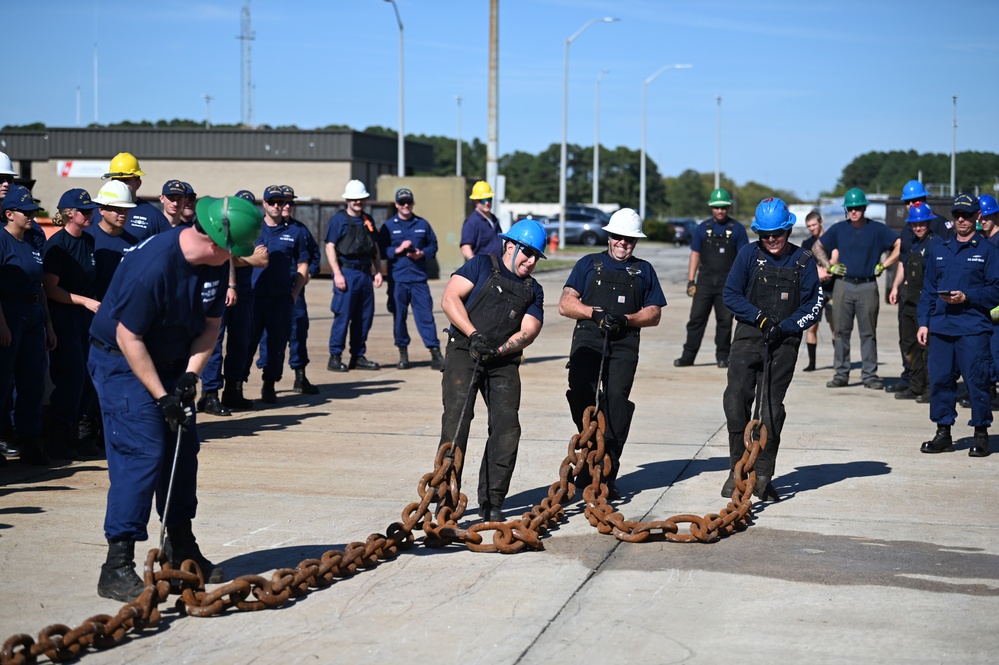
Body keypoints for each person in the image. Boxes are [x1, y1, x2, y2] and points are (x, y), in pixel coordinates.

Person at [87, 195, 262, 601]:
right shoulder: (154, 267)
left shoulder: (216, 266)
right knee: (142, 452)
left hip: (171, 360)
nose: (234, 260)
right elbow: (127, 337)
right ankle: (116, 565)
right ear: (216, 242)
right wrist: (162, 396)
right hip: (123, 362)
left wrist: (188, 376)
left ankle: (180, 546)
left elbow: (211, 325)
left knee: (182, 448)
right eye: (233, 252)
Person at [439, 219, 546, 522]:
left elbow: (530, 328)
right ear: (510, 246)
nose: (531, 261)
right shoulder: (481, 266)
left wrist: (500, 350)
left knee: (507, 427)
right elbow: (450, 298)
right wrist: (474, 334)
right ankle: (444, 500)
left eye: (537, 256)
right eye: (527, 252)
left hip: (502, 359)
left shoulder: (533, 290)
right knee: (457, 420)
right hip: (464, 349)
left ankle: (492, 501)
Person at [559, 208, 666, 499]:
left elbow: (654, 313)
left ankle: (607, 470)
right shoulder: (588, 264)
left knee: (616, 403)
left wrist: (627, 319)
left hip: (624, 342)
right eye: (618, 237)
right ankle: (589, 454)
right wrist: (592, 314)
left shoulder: (644, 270)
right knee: (581, 393)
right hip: (589, 338)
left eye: (629, 239)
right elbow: (566, 303)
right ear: (609, 236)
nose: (622, 243)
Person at [722, 198, 823, 502]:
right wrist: (760, 317)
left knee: (770, 409)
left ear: (788, 229)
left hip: (783, 343)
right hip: (748, 337)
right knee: (735, 400)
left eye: (776, 234)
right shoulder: (748, 256)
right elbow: (731, 294)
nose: (771, 241)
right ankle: (737, 469)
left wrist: (789, 326)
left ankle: (763, 473)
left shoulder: (803, 261)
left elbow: (814, 305)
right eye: (765, 236)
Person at [917, 194, 999, 458]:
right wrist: (923, 323)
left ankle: (981, 434)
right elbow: (928, 290)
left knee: (977, 382)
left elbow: (996, 291)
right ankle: (943, 433)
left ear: (977, 217)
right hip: (941, 328)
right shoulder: (939, 249)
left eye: (966, 215)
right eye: (956, 215)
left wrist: (968, 297)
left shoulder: (988, 251)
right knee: (940, 381)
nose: (961, 219)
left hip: (973, 328)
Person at [812, 187, 900, 389]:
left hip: (868, 286)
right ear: (846, 210)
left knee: (868, 333)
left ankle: (869, 375)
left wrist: (885, 265)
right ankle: (841, 374)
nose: (854, 211)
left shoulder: (877, 229)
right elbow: (817, 247)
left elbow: (898, 243)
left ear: (864, 208)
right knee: (841, 332)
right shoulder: (839, 229)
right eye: (850, 208)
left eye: (858, 207)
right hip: (843, 285)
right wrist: (829, 266)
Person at [43, 188, 102, 459]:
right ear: (69, 213)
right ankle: (58, 435)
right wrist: (84, 301)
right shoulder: (58, 244)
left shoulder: (88, 241)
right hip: (65, 318)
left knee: (89, 375)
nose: (91, 214)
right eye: (85, 210)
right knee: (72, 376)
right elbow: (50, 288)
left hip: (85, 320)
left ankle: (78, 433)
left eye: (91, 209)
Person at [0, 186, 57, 466]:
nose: (32, 215)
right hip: (9, 313)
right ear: (9, 214)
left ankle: (30, 440)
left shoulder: (33, 242)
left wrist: (48, 324)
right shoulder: (1, 240)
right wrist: (2, 324)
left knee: (32, 381)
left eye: (34, 210)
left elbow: (41, 287)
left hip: (33, 314)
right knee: (3, 381)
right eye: (26, 211)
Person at [201, 190, 268, 414]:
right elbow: (225, 254)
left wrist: (239, 258)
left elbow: (263, 258)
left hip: (246, 294)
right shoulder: (223, 226)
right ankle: (210, 393)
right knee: (214, 343)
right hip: (223, 291)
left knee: (241, 342)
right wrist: (242, 264)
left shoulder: (253, 228)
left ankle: (233, 389)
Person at [245, 185, 312, 404]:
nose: (276, 206)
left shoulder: (295, 232)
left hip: (281, 299)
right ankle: (236, 386)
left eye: (280, 202)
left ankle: (269, 384)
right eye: (272, 202)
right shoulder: (252, 229)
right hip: (254, 297)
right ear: (263, 204)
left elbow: (303, 264)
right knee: (246, 343)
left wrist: (295, 293)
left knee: (277, 345)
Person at [888, 180, 955, 394]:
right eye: (908, 202)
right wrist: (896, 287)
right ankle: (915, 384)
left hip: (929, 297)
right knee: (908, 342)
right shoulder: (909, 231)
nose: (911, 204)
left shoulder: (939, 230)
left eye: (915, 200)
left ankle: (929, 387)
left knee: (926, 345)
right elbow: (904, 262)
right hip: (909, 295)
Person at [674, 188, 748, 368]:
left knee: (725, 322)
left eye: (723, 207)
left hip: (727, 284)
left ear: (728, 207)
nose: (720, 211)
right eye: (716, 208)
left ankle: (723, 356)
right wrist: (691, 280)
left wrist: (742, 284)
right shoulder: (702, 228)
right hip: (705, 282)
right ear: (711, 208)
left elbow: (744, 259)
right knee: (696, 320)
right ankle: (688, 356)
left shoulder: (737, 230)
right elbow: (695, 254)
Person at [379, 187, 445, 371]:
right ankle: (403, 353)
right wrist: (398, 250)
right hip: (398, 280)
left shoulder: (422, 224)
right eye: (402, 203)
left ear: (413, 203)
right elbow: (381, 251)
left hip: (418, 280)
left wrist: (422, 253)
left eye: (408, 202)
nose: (405, 205)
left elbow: (433, 246)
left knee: (425, 316)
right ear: (396, 205)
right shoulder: (389, 226)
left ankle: (435, 353)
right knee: (399, 317)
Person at [325, 179, 383, 372]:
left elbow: (374, 248)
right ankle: (335, 356)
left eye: (361, 199)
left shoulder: (368, 220)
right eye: (354, 199)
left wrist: (378, 271)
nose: (358, 202)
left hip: (365, 274)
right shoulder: (338, 220)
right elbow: (330, 246)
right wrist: (337, 274)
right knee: (343, 316)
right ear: (347, 199)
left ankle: (357, 356)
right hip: (347, 273)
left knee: (364, 317)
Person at [102, 152, 170, 241]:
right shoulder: (94, 212)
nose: (120, 185)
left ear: (138, 184)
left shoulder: (153, 216)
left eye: (125, 180)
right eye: (116, 180)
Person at [800, 211, 835, 371]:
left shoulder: (831, 239)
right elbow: (806, 264)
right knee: (812, 326)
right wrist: (818, 272)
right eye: (808, 226)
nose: (811, 229)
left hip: (832, 288)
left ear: (821, 222)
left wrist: (827, 270)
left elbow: (836, 256)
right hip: (815, 289)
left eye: (813, 225)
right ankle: (811, 363)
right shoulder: (806, 243)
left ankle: (838, 361)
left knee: (835, 326)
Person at [460, 180, 502, 260]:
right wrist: (477, 266)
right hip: (482, 269)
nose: (487, 203)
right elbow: (465, 249)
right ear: (475, 201)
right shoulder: (471, 222)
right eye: (483, 200)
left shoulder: (494, 219)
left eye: (489, 199)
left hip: (497, 267)